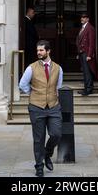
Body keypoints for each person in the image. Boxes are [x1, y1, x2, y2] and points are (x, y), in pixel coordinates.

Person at [19, 40, 63, 177]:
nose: (39, 53)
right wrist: (33, 94)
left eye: (41, 50)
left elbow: (58, 86)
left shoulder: (58, 68)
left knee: (56, 134)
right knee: (38, 138)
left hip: (53, 106)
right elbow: (22, 84)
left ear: (48, 51)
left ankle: (47, 154)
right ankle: (39, 165)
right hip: (36, 107)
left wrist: (53, 97)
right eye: (38, 50)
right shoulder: (31, 68)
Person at [76, 13, 97, 96]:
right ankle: (86, 88)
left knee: (87, 72)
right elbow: (79, 41)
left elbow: (92, 43)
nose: (82, 19)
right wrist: (78, 53)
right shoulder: (83, 27)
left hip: (86, 53)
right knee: (85, 72)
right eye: (81, 17)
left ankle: (88, 89)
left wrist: (89, 55)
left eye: (84, 17)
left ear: (87, 19)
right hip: (82, 53)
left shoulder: (90, 28)